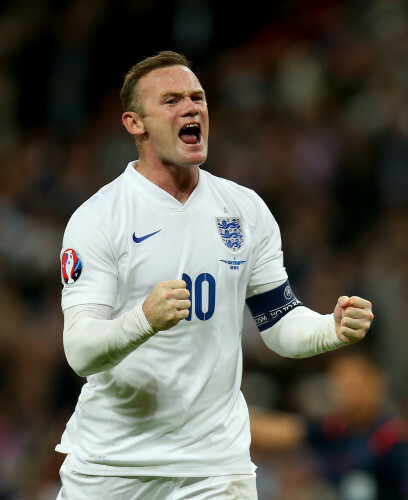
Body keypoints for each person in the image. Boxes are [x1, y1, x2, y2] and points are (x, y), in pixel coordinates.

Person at [55, 50, 374, 499]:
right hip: (113, 465)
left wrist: (330, 328)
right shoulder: (98, 219)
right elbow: (80, 351)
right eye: (171, 100)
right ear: (134, 123)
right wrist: (143, 319)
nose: (191, 107)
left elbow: (280, 324)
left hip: (215, 467)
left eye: (197, 97)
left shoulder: (244, 210)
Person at [250, 352, 408, 499]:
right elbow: (281, 431)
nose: (350, 395)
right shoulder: (334, 430)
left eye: (356, 386)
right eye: (342, 386)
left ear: (376, 384)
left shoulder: (396, 439)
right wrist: (230, 415)